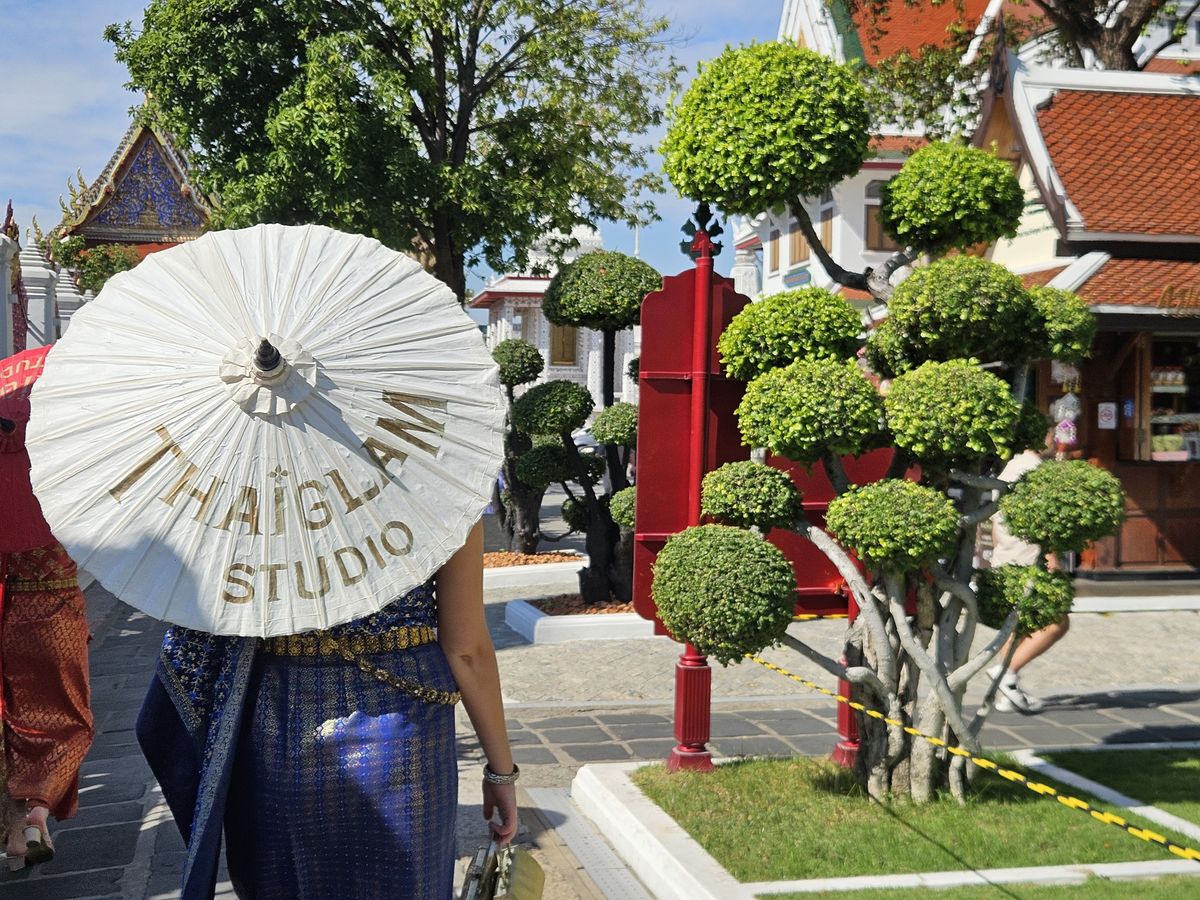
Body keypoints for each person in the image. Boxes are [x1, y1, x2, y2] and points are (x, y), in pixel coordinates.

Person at [137, 520, 517, 899]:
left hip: (273, 721)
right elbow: (466, 650)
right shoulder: (441, 489)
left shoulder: (245, 501)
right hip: (402, 728)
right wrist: (501, 773)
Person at [0, 411, 94, 872]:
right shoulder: (63, 449)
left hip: (8, 596)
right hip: (55, 603)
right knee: (65, 718)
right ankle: (36, 812)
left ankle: (15, 827)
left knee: (9, 721)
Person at [985, 430, 1070, 714]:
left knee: (1016, 627)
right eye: (1051, 435)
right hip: (1029, 558)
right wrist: (1052, 558)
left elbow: (996, 521)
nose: (1054, 441)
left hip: (1006, 556)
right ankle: (1005, 674)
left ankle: (1006, 691)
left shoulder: (1011, 467)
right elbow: (1043, 522)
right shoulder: (1035, 470)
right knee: (1057, 623)